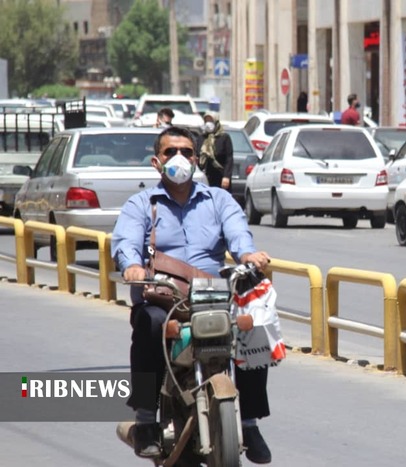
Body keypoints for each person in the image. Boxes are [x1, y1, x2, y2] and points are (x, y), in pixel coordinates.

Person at [111, 126, 273, 464]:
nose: (179, 158)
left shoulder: (218, 200)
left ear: (196, 159)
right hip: (163, 299)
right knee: (149, 326)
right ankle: (145, 420)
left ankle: (249, 422)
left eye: (186, 151)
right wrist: (132, 266)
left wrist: (248, 255)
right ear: (157, 162)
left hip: (212, 297)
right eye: (170, 152)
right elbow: (125, 243)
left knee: (253, 327)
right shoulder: (142, 204)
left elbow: (238, 234)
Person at [198, 111, 234, 191]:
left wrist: (226, 176)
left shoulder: (224, 137)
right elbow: (197, 156)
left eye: (210, 121)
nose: (208, 123)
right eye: (206, 121)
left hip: (220, 177)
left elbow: (229, 158)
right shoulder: (202, 138)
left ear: (216, 122)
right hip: (205, 177)